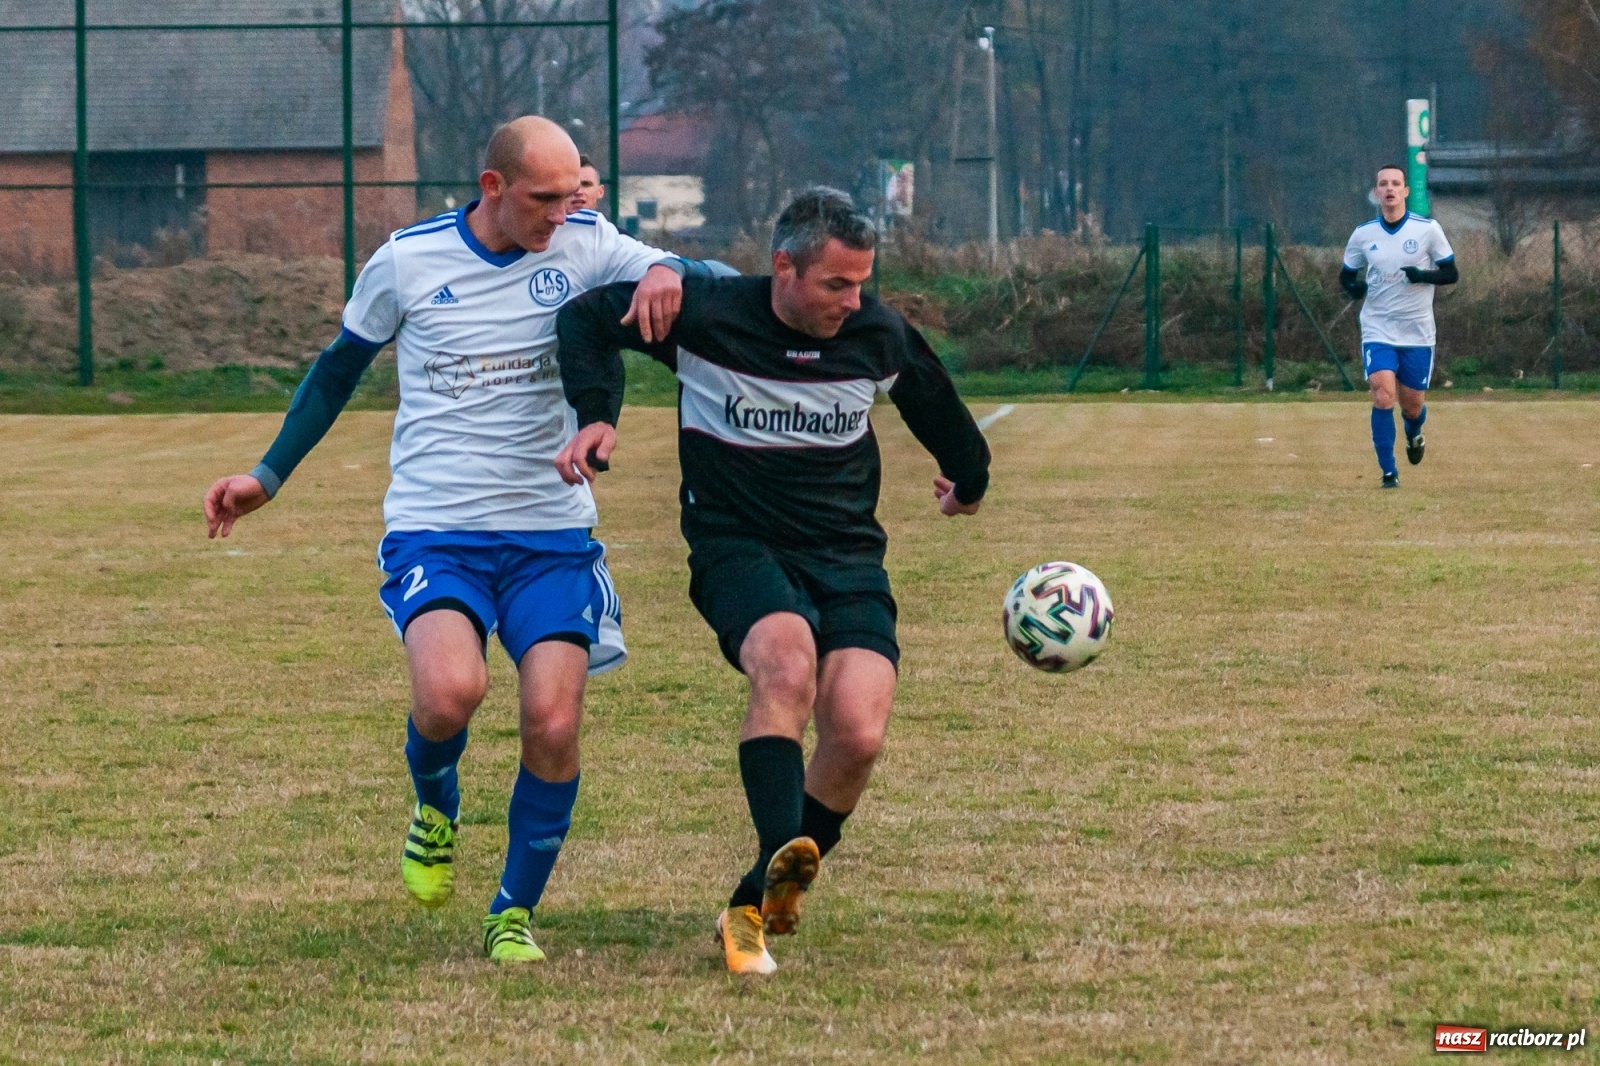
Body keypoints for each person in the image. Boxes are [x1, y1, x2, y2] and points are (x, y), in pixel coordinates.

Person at [202, 116, 687, 964]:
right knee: (447, 698)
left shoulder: (580, 240)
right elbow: (337, 370)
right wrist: (266, 477)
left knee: (553, 721)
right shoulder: (408, 260)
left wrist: (661, 270)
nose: (559, 214)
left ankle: (511, 913)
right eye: (543, 198)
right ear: (493, 188)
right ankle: (436, 802)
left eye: (572, 194)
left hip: (550, 533)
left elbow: (665, 266)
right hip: (438, 528)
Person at [552, 187, 991, 976]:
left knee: (857, 732)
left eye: (862, 283)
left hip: (847, 553)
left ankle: (754, 895)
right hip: (736, 546)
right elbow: (584, 319)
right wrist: (596, 410)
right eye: (836, 285)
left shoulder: (875, 335)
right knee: (786, 665)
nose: (853, 301)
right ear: (783, 267)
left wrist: (970, 482)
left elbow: (941, 411)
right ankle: (767, 884)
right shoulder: (706, 315)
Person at [1340, 164, 1458, 488]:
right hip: (1377, 327)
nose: (1389, 189)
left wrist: (1423, 276)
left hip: (1417, 331)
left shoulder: (1427, 229)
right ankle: (1389, 472)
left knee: (1412, 406)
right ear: (1376, 192)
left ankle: (1414, 432)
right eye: (1383, 184)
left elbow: (1451, 273)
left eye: (1396, 183)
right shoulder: (1364, 234)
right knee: (1382, 395)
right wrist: (1355, 289)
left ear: (1406, 191)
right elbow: (1346, 276)